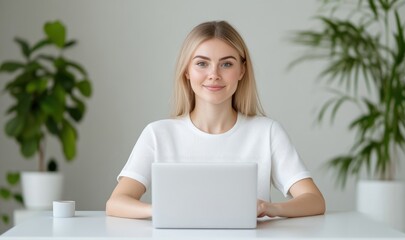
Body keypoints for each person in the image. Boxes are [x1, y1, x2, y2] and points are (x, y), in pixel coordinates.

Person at [106, 20, 325, 219]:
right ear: (187, 72)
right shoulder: (158, 134)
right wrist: (163, 211)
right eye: (202, 63)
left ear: (242, 71)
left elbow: (314, 201)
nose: (214, 74)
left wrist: (268, 208)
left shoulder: (267, 132)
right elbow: (116, 203)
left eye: (226, 64)